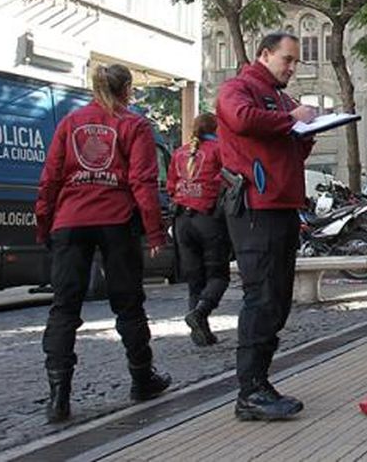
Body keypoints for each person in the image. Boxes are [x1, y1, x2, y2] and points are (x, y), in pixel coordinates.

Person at [35, 63, 171, 424]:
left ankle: (58, 397)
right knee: (128, 303)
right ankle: (142, 378)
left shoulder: (70, 123)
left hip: (70, 219)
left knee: (64, 308)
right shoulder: (134, 124)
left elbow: (50, 176)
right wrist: (154, 231)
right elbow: (143, 181)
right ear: (127, 89)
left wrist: (44, 221)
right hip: (115, 220)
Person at [217, 32, 320, 422]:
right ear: (264, 54)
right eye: (287, 59)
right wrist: (290, 119)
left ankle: (260, 383)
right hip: (255, 205)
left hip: (281, 204)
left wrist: (306, 130)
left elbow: (290, 146)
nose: (292, 68)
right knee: (261, 297)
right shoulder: (238, 89)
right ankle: (250, 392)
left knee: (276, 299)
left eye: (295, 62)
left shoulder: (280, 98)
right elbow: (241, 118)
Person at [168, 112, 229, 347]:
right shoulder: (218, 149)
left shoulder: (179, 153)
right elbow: (228, 180)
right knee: (218, 275)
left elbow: (172, 186)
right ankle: (200, 313)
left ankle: (201, 334)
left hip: (183, 221)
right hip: (208, 219)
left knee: (194, 279)